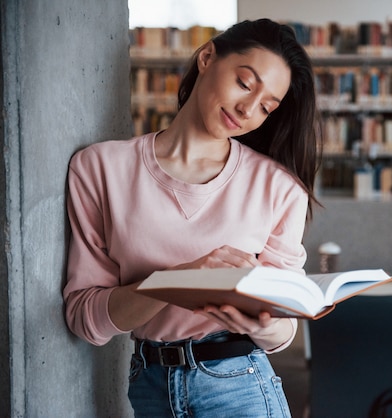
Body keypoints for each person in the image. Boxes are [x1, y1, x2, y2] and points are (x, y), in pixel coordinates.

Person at [63, 18, 322, 417]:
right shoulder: (100, 168)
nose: (248, 109)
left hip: (240, 385)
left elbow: (283, 331)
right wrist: (178, 282)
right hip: (149, 387)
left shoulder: (278, 187)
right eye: (244, 84)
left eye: (266, 107)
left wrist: (261, 325)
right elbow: (86, 319)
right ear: (207, 58)